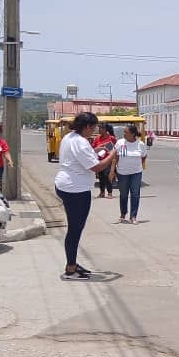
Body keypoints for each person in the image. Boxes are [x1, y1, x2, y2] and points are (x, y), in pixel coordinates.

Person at [55, 112, 116, 281]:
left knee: (75, 228)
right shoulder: (81, 142)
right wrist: (112, 154)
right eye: (94, 128)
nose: (95, 131)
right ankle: (70, 269)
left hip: (66, 185)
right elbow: (96, 167)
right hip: (76, 189)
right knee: (75, 229)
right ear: (88, 126)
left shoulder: (70, 137)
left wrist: (96, 150)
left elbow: (78, 156)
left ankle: (72, 263)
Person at [109, 124, 148, 224]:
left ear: (133, 134)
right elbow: (115, 158)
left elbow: (143, 156)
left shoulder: (141, 144)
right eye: (124, 132)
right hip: (122, 173)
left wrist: (136, 165)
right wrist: (112, 171)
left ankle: (133, 216)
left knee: (135, 194)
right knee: (123, 195)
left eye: (126, 132)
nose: (124, 134)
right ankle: (123, 214)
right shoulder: (120, 143)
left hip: (136, 173)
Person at [92, 124, 117, 199]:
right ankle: (102, 192)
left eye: (101, 128)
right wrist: (103, 146)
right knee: (101, 177)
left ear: (106, 130)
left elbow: (116, 147)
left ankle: (110, 193)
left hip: (109, 160)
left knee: (107, 176)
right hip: (99, 160)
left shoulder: (111, 138)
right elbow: (93, 148)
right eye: (99, 128)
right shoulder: (97, 138)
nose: (99, 130)